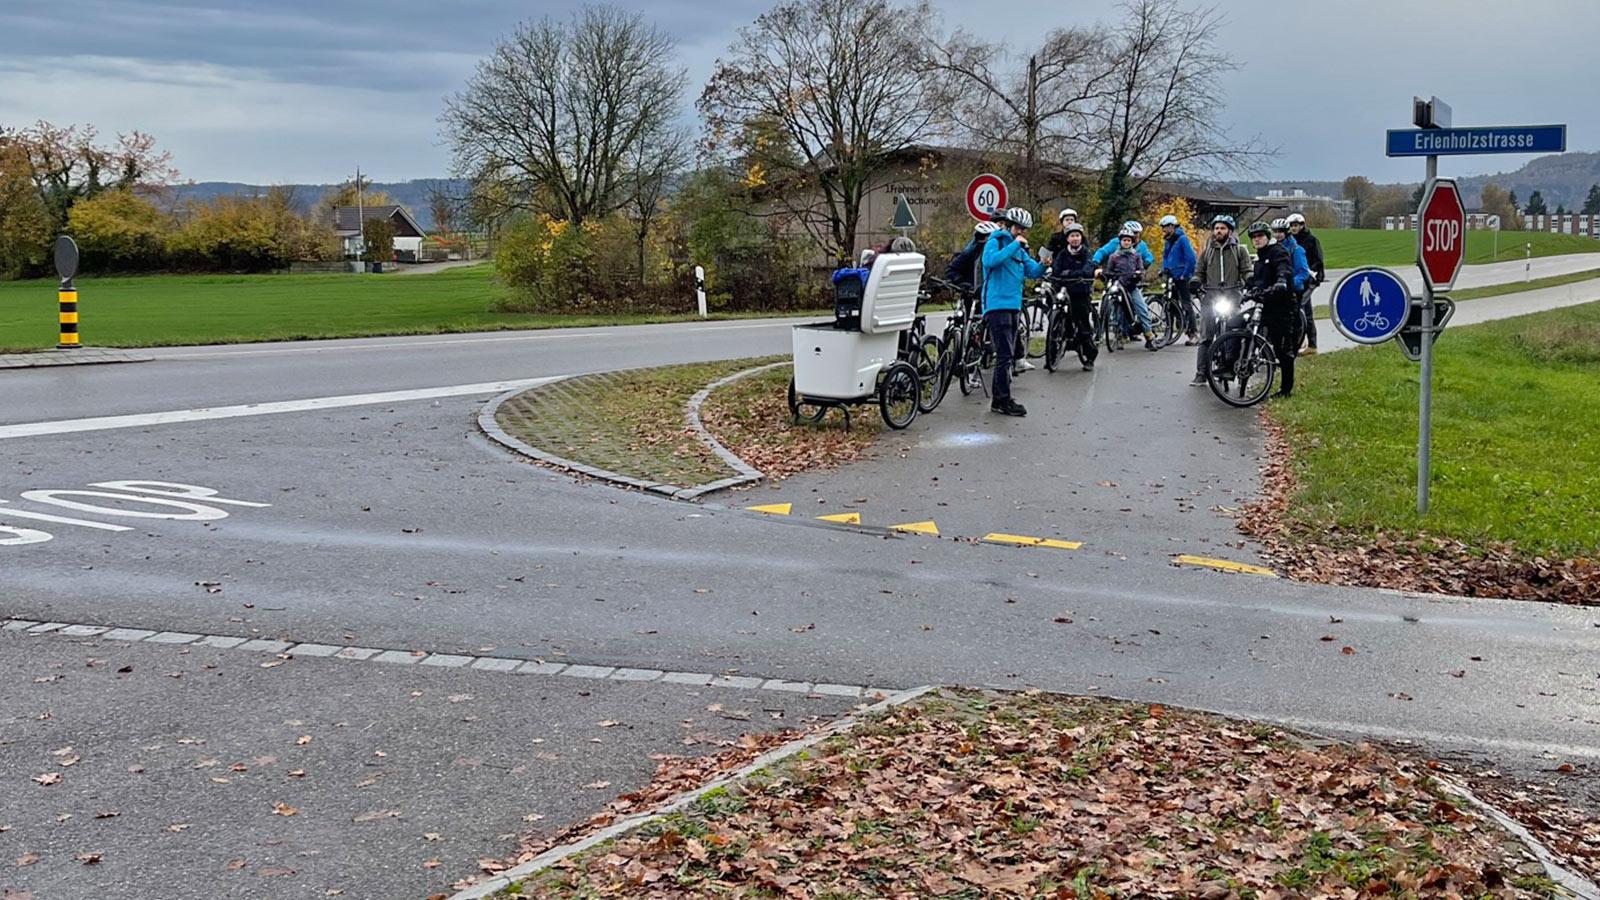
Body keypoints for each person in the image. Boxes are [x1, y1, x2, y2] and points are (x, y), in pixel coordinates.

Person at [981, 206, 1047, 416]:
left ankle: (1002, 398)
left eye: (1024, 229)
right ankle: (1001, 400)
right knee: (1004, 354)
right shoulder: (996, 240)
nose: (1022, 232)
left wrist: (1044, 264)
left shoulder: (1020, 248)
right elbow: (990, 261)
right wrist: (1014, 245)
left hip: (1014, 305)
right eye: (1019, 228)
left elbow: (1031, 271)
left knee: (1007, 354)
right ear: (1009, 226)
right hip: (997, 304)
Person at [1189, 215, 1252, 386]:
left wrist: (1251, 280)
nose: (1219, 231)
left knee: (1233, 333)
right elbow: (1199, 272)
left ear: (1230, 231)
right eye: (1216, 228)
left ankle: (1231, 367)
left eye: (1223, 228)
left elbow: (1246, 270)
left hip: (1232, 296)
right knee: (1206, 335)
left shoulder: (1239, 250)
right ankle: (1201, 372)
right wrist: (1195, 281)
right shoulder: (1207, 251)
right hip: (1211, 297)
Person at [1244, 221, 1302, 398]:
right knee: (1239, 324)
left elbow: (1283, 268)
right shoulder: (1260, 257)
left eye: (1260, 236)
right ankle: (1233, 363)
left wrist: (1282, 281)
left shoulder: (1278, 251)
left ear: (1267, 237)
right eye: (1254, 237)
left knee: (1282, 349)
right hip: (1265, 303)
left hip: (1282, 306)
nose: (1257, 240)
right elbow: (1259, 280)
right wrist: (1248, 291)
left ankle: (1286, 390)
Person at [1047, 222, 1098, 370]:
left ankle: (1090, 356)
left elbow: (1087, 270)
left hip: (1080, 292)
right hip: (1064, 289)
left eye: (1077, 236)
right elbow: (1056, 270)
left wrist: (1070, 273)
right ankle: (1052, 355)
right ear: (1067, 239)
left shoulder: (1086, 253)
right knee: (1056, 318)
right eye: (1072, 236)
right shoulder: (1063, 254)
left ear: (1081, 238)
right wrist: (1060, 274)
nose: (1075, 239)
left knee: (1082, 324)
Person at [1101, 229, 1157, 350]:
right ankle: (1119, 336)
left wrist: (1138, 275)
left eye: (1128, 240)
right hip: (1119, 287)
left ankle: (1149, 337)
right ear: (1120, 242)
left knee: (1142, 310)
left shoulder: (1136, 256)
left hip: (1132, 286)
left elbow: (1141, 270)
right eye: (1124, 240)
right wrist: (1106, 275)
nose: (1126, 243)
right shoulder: (1114, 256)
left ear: (1132, 242)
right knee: (1118, 312)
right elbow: (1109, 271)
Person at [1287, 213, 1325, 353]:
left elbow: (1318, 260)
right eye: (1291, 226)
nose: (1293, 228)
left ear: (1302, 225)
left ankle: (1311, 344)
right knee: (1298, 310)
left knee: (1303, 308)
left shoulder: (1311, 240)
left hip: (1310, 279)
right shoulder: (1290, 241)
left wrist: (1313, 275)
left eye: (1296, 225)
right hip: (1297, 280)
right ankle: (1302, 341)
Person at [1159, 214, 1198, 344]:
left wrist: (1186, 274)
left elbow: (1191, 258)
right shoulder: (1168, 240)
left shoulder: (1182, 239)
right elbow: (1165, 257)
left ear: (1172, 227)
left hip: (1182, 276)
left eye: (1165, 227)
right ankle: (1170, 332)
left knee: (1186, 304)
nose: (1163, 230)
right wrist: (1164, 269)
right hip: (1171, 276)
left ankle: (1193, 333)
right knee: (1170, 304)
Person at [946, 221, 998, 295]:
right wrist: (962, 283)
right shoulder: (971, 252)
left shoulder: (997, 253)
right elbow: (952, 270)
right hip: (972, 296)